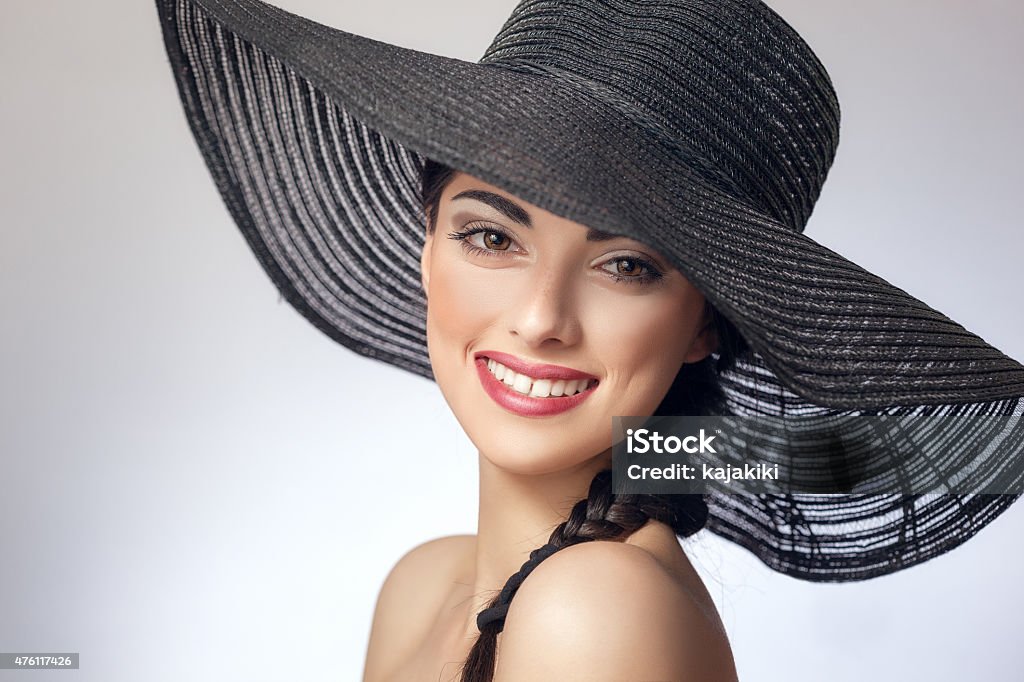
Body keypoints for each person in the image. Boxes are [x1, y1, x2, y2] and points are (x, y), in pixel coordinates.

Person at [153, 0, 1024, 679]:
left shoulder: (598, 608)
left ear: (701, 326)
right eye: (492, 236)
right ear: (426, 247)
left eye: (627, 267)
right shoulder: (422, 585)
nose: (540, 317)